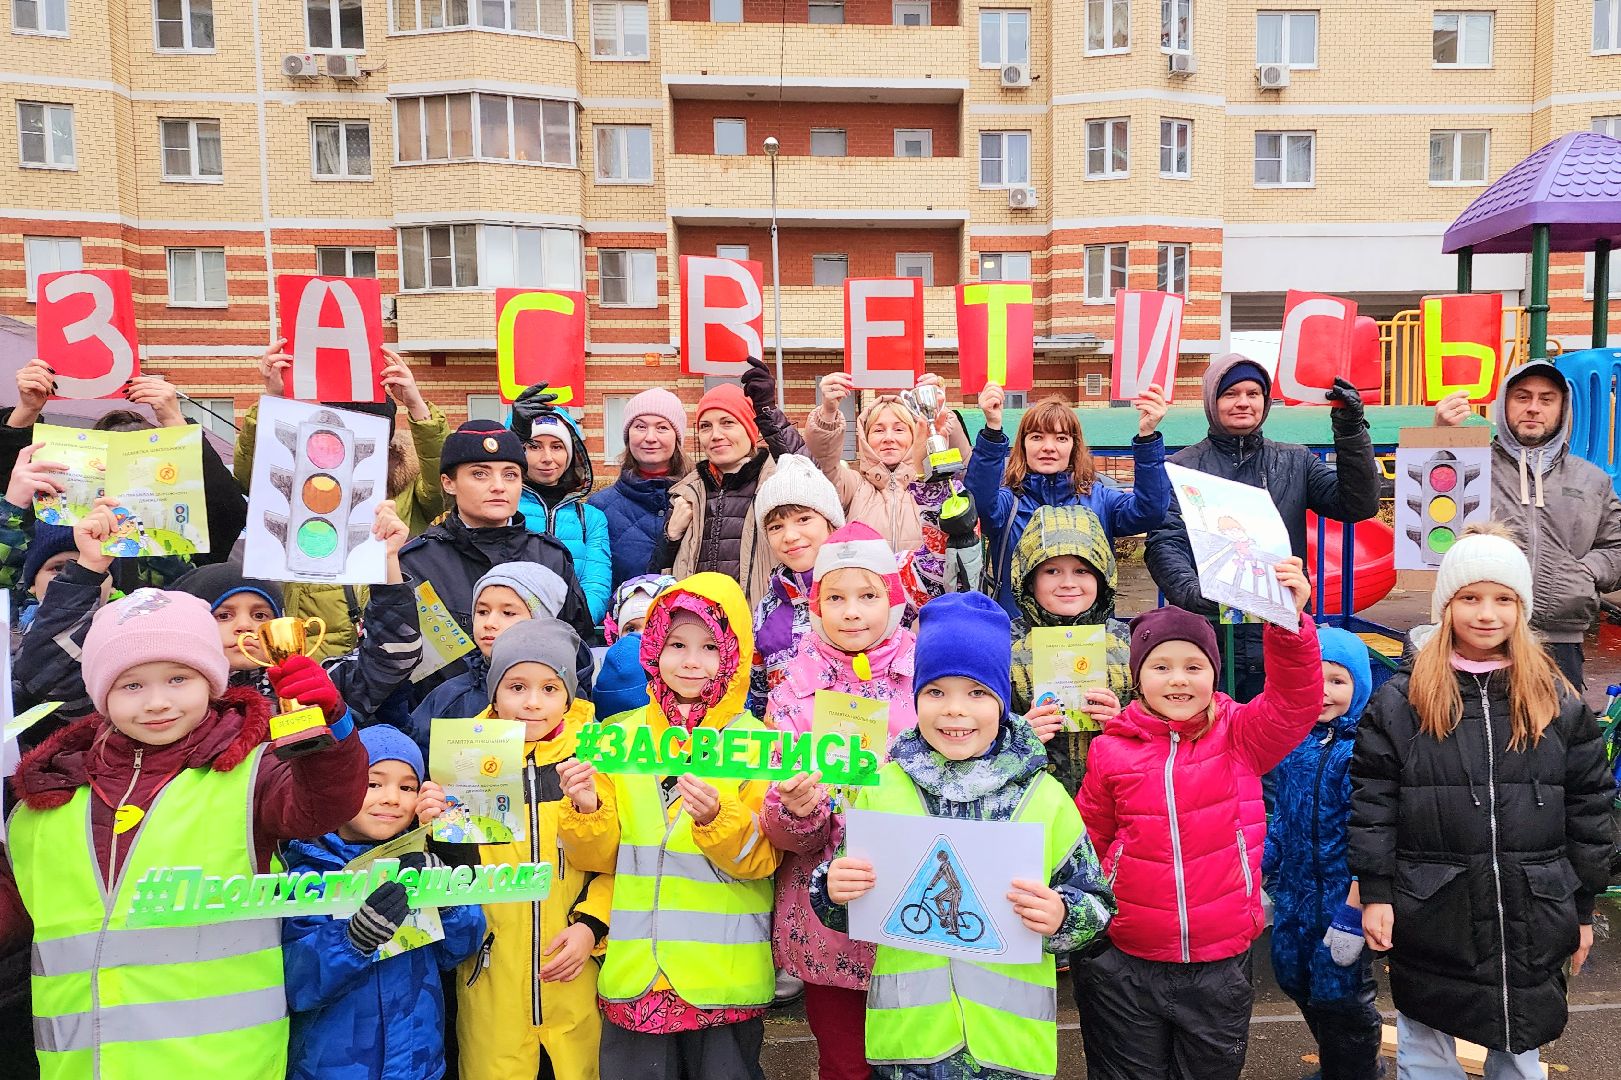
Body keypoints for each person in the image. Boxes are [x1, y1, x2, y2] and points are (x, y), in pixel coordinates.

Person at [0, 587, 367, 1078]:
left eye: (178, 679)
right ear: (99, 692)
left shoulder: (248, 776)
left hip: (220, 1065)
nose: (157, 702)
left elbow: (325, 803)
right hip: (80, 1066)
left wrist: (330, 732)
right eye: (131, 685)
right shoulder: (49, 800)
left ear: (212, 682)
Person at [815, 590, 1116, 1080]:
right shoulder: (882, 789)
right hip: (909, 1049)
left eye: (977, 692)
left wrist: (1063, 914)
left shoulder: (1044, 798)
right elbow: (844, 896)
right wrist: (832, 888)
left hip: (1007, 1053)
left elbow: (1097, 909)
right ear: (916, 699)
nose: (955, 711)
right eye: (936, 692)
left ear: (1001, 701)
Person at [1350, 526, 1614, 1077]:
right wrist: (1376, 891)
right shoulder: (1403, 699)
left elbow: (1589, 809)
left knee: (1519, 1056)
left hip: (1532, 911)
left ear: (1523, 608)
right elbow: (1374, 802)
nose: (1486, 614)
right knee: (1425, 1052)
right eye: (1469, 597)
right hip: (1432, 908)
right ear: (1447, 605)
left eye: (1503, 599)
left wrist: (1581, 907)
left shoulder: (1555, 698)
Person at [1073, 563, 1321, 1080]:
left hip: (1219, 961)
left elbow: (1295, 702)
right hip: (1127, 958)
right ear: (1137, 677)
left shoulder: (1242, 735)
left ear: (1214, 673)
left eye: (1194, 665)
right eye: (1161, 666)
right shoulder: (1110, 750)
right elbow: (1088, 843)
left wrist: (1289, 623)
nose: (1179, 679)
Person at [557, 573, 780, 1080]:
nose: (691, 661)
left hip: (722, 979)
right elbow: (598, 859)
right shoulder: (616, 737)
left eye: (709, 647)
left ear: (734, 655)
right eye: (676, 644)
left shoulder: (759, 742)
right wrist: (588, 808)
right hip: (637, 976)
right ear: (653, 646)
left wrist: (716, 820)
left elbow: (764, 860)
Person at [417, 618, 609, 1080]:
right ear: (494, 692)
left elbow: (615, 861)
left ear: (568, 695)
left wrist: (590, 927)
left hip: (575, 972)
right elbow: (453, 877)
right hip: (491, 979)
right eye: (517, 686)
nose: (531, 703)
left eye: (549, 688)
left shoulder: (594, 755)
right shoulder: (464, 757)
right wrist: (433, 827)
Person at [757, 524, 917, 1080]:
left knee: (918, 1057)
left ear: (893, 599)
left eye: (868, 595)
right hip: (828, 922)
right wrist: (797, 810)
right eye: (836, 597)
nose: (852, 612)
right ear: (816, 605)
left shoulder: (927, 680)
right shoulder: (791, 691)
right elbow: (779, 831)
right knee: (845, 1063)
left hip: (912, 907)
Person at [1146, 353, 1378, 700]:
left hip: (1281, 634)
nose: (1243, 402)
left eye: (1253, 394)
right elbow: (1166, 541)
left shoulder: (1295, 461)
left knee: (1283, 738)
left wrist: (1350, 430)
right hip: (1210, 637)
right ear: (1212, 401)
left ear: (1265, 402)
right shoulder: (1182, 468)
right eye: (1231, 394)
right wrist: (1193, 594)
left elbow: (1356, 504)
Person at [282, 726, 485, 1080]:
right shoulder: (308, 875)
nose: (392, 798)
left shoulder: (420, 860)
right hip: (332, 1068)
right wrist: (353, 941)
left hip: (419, 1064)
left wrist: (447, 895)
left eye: (406, 787)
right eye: (373, 783)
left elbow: (459, 951)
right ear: (337, 787)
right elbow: (296, 985)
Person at [242, 341, 451, 657]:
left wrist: (416, 405)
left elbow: (442, 479)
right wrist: (273, 399)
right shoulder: (302, 481)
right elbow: (251, 474)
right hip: (315, 652)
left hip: (393, 648)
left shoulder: (408, 489)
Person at [1434, 359, 1621, 693]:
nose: (1534, 408)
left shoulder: (1593, 480)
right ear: (1503, 403)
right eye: (1522, 397)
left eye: (1546, 399)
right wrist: (1439, 439)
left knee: (1555, 737)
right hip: (1474, 636)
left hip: (1559, 639)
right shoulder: (1469, 465)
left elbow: (1616, 547)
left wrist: (1585, 572)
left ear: (1563, 409)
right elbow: (1429, 517)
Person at [399, 419, 595, 698]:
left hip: (538, 726)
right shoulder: (416, 563)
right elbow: (404, 667)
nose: (498, 486)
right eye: (480, 474)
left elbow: (577, 650)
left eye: (510, 475)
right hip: (446, 729)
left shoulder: (549, 557)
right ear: (449, 482)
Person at [1263, 626, 1381, 1080]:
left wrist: (1357, 903)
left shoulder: (1365, 750)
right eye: (1314, 679)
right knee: (1293, 976)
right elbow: (1280, 815)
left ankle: (1355, 1069)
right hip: (1293, 893)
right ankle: (1340, 1061)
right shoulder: (1295, 742)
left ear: (1359, 686)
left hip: (1341, 897)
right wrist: (1262, 865)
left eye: (1338, 681)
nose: (1325, 692)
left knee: (1340, 993)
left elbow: (1374, 833)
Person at [0, 360, 248, 568]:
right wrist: (26, 411)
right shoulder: (61, 527)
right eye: (110, 463)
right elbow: (9, 554)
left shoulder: (180, 538)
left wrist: (175, 422)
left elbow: (228, 509)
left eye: (137, 461)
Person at [966, 382, 1171, 618]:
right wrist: (992, 430)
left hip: (1088, 642)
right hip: (1020, 639)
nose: (1048, 447)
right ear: (1023, 445)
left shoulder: (1099, 500)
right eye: (1037, 437)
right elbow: (979, 505)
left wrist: (1147, 438)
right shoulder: (1009, 503)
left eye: (1061, 438)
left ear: (1074, 446)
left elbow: (1150, 510)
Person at [663, 359, 809, 608]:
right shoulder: (685, 494)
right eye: (705, 426)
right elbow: (662, 572)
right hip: (698, 631)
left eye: (728, 422)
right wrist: (670, 537)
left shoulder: (778, 483)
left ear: (750, 430)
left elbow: (807, 472)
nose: (716, 435)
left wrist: (766, 411)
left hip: (762, 631)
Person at [1009, 504, 1134, 794]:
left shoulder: (1128, 642)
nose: (1068, 583)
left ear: (1102, 578)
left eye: (1081, 571)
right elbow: (987, 720)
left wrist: (1122, 720)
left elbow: (1156, 720)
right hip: (1037, 797)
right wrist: (1022, 732)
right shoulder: (1006, 645)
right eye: (1052, 570)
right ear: (1030, 580)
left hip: (1111, 796)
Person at [804, 371, 970, 580]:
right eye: (879, 430)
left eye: (899, 429)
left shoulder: (930, 487)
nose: (888, 438)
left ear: (914, 434)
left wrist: (938, 415)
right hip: (867, 605)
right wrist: (827, 413)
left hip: (924, 606)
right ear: (865, 437)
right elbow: (821, 462)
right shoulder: (852, 485)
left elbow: (964, 468)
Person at [408, 560, 573, 744]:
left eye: (508, 613)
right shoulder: (451, 696)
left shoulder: (569, 692)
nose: (489, 623)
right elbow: (413, 752)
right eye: (483, 611)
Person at [748, 453, 847, 715]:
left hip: (859, 747)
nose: (790, 536)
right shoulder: (766, 609)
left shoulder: (868, 586)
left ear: (831, 523)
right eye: (776, 527)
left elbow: (936, 574)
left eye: (803, 519)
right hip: (786, 749)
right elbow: (758, 693)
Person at [509, 389, 613, 625]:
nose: (547, 458)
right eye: (534, 446)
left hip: (571, 635)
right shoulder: (503, 509)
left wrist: (572, 624)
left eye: (557, 446)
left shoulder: (590, 519)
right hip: (510, 631)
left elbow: (596, 586)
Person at [589, 388, 690, 590]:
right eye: (640, 427)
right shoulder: (599, 508)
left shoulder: (700, 499)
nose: (650, 437)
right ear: (627, 436)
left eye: (662, 428)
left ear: (677, 438)